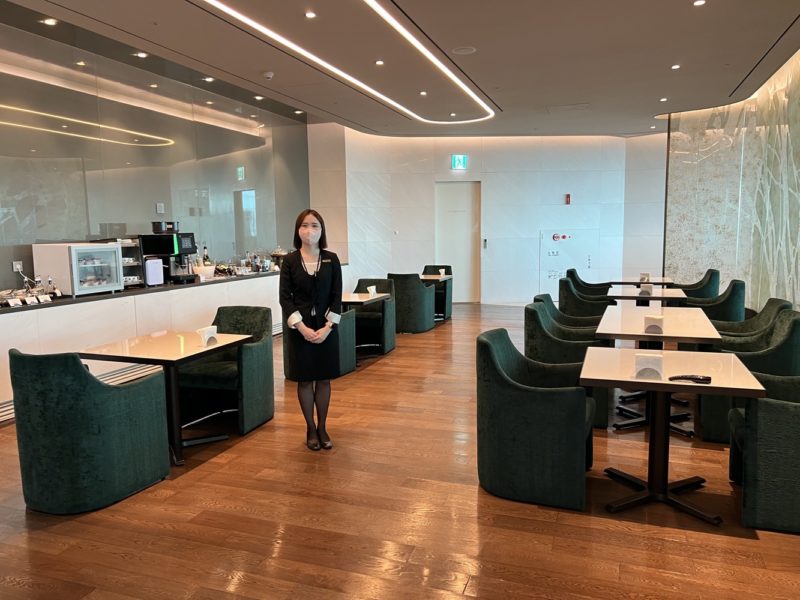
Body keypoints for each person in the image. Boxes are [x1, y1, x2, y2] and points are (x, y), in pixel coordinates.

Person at [279, 209, 342, 451]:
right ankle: (310, 427)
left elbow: (336, 296)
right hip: (300, 329)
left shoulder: (331, 259)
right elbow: (285, 299)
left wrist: (328, 327)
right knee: (305, 380)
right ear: (298, 230)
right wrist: (302, 328)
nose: (310, 230)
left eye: (315, 225)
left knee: (324, 379)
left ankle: (323, 426)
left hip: (326, 328)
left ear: (321, 229)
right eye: (305, 225)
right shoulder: (290, 261)